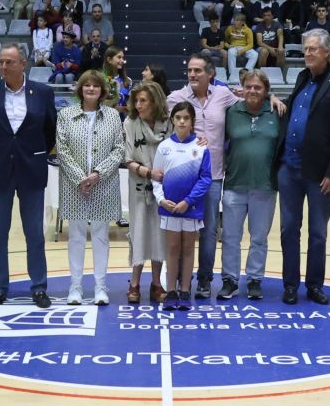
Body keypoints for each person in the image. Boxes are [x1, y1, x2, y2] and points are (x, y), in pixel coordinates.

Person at [274, 28, 330, 305]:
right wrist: (275, 101)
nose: (307, 53)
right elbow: (294, 110)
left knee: (318, 232)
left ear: (327, 51)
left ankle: (315, 285)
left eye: (312, 49)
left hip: (319, 173)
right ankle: (290, 285)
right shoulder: (301, 77)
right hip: (289, 168)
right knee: (288, 230)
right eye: (306, 49)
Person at [0, 44, 56, 308]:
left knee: (34, 233)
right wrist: (2, 151)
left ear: (23, 64)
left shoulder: (42, 92)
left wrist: (30, 152)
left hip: (32, 169)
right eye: (0, 62)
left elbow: (49, 130)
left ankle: (39, 287)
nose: (3, 67)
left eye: (9, 62)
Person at [166, 55, 241, 299]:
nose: (193, 74)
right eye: (189, 70)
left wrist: (271, 97)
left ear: (211, 73)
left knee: (208, 230)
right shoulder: (176, 99)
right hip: (183, 176)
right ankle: (178, 278)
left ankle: (205, 279)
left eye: (198, 70)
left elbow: (249, 96)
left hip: (213, 175)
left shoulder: (223, 94)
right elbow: (162, 119)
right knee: (180, 229)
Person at [54, 71, 125, 305]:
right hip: (75, 186)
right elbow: (61, 149)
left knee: (100, 236)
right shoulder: (66, 114)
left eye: (96, 85)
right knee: (75, 237)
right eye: (87, 85)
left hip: (103, 185)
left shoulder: (113, 116)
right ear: (80, 89)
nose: (91, 89)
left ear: (102, 90)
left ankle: (100, 287)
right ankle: (75, 287)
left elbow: (119, 149)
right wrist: (80, 178)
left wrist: (97, 175)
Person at [220, 71, 281, 302]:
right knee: (230, 237)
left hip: (265, 185)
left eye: (258, 87)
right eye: (249, 86)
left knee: (258, 237)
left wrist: (274, 98)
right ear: (242, 88)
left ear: (265, 91)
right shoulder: (231, 112)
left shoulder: (276, 112)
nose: (253, 91)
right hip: (234, 183)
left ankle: (255, 279)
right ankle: (230, 280)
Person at [153, 101, 212, 311]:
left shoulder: (201, 146)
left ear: (192, 121)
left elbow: (205, 179)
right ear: (172, 120)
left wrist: (188, 201)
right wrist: (161, 200)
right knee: (172, 249)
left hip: (191, 208)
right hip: (169, 209)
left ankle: (185, 290)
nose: (182, 121)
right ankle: (171, 291)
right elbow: (156, 178)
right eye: (178, 118)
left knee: (188, 249)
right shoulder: (164, 147)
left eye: (186, 118)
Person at [122, 82, 170, 305]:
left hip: (164, 187)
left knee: (160, 234)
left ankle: (156, 283)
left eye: (144, 101)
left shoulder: (168, 124)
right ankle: (134, 283)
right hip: (140, 184)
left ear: (155, 102)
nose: (138, 105)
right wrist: (146, 171)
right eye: (137, 101)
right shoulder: (131, 123)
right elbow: (127, 158)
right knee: (139, 231)